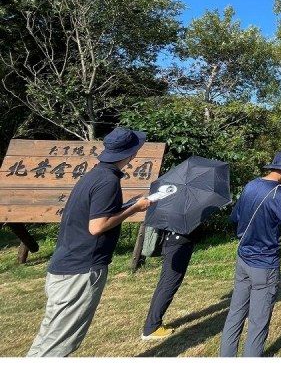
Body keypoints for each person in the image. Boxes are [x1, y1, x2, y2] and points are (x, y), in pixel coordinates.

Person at [27, 127, 152, 357]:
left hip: (66, 265)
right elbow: (97, 227)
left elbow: (94, 214)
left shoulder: (95, 175)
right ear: (132, 155)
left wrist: (125, 205)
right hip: (80, 271)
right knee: (57, 347)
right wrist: (135, 208)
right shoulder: (108, 182)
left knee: (49, 339)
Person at [219, 151, 281, 357]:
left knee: (235, 313)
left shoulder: (250, 185)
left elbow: (235, 217)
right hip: (265, 264)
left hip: (243, 257)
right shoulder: (280, 195)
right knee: (258, 321)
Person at [141, 228, 200, 340]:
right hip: (179, 244)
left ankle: (152, 323)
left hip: (171, 242)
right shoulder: (181, 213)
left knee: (164, 284)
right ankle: (151, 328)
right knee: (169, 285)